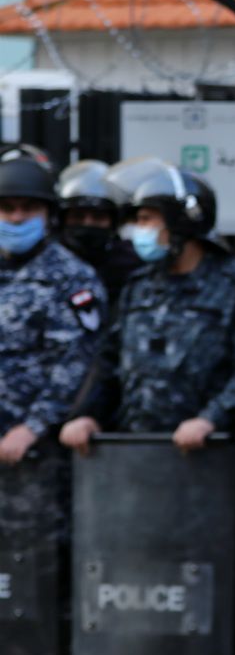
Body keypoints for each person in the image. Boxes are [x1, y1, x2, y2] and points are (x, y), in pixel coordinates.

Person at [59, 166, 235, 453]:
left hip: (211, 453)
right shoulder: (139, 285)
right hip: (137, 449)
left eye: (147, 219)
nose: (138, 230)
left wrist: (211, 420)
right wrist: (86, 415)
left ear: (181, 222)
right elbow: (108, 360)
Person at [0, 150, 105, 465]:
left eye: (29, 208)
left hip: (37, 450)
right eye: (7, 209)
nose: (18, 218)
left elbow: (79, 361)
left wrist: (32, 427)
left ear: (49, 215)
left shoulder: (73, 278)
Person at [55, 159, 141, 308]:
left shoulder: (132, 265)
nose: (87, 224)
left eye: (98, 217)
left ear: (113, 223)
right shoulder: (47, 264)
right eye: (78, 217)